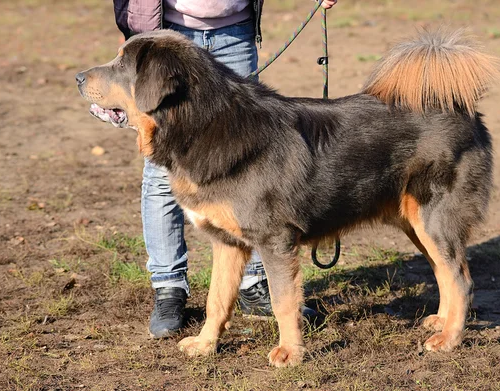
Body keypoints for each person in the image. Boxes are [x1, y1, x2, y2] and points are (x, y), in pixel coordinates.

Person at [113, 0, 337, 338]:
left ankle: (253, 282)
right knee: (163, 172)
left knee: (246, 165)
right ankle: (169, 287)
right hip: (164, 32)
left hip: (234, 28)